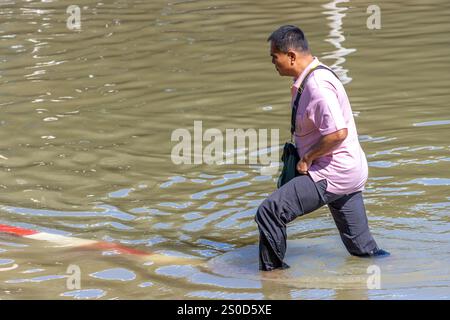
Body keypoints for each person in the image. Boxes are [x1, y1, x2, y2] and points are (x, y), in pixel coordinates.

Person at [255, 25, 389, 271]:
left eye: (275, 57)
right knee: (363, 251)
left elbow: (338, 133)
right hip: (348, 171)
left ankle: (272, 279)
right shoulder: (310, 77)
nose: (273, 63)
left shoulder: (317, 86)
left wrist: (306, 158)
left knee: (270, 212)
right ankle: (396, 272)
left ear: (291, 56)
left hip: (332, 171)